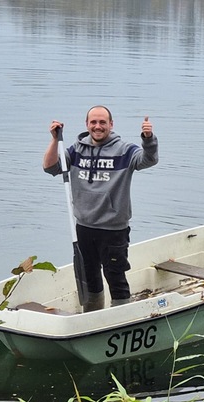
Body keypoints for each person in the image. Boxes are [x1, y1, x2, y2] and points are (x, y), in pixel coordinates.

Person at [43, 105, 158, 312]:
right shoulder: (76, 150)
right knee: (89, 277)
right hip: (84, 227)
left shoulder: (125, 150)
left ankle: (121, 318)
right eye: (93, 122)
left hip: (113, 229)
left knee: (115, 276)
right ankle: (92, 316)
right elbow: (50, 167)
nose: (98, 126)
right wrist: (54, 140)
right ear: (87, 124)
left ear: (111, 124)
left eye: (102, 122)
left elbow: (149, 160)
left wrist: (148, 139)